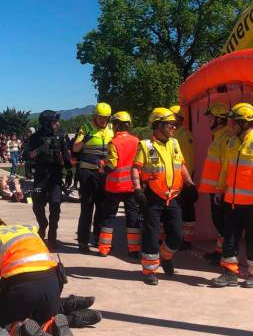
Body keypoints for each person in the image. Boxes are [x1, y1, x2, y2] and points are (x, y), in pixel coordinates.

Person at [0, 217, 75, 336]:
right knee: (40, 316)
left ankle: (20, 331)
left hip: (22, 289)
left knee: (0, 323)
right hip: (53, 284)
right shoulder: (28, 230)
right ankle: (51, 326)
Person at [211, 103, 253, 288]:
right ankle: (229, 273)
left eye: (233, 121)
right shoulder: (231, 142)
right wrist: (219, 189)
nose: (229, 124)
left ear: (244, 123)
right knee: (229, 237)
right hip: (232, 202)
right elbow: (226, 169)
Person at [132, 108, 194, 286]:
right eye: (170, 124)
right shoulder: (145, 145)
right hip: (153, 197)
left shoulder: (174, 143)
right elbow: (135, 168)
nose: (174, 127)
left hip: (173, 196)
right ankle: (150, 270)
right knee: (151, 235)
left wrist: (189, 183)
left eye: (174, 124)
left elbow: (180, 165)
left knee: (177, 235)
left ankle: (165, 257)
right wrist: (137, 189)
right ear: (159, 125)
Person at [98, 111, 141, 258]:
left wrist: (102, 166)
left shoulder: (113, 142)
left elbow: (113, 165)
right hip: (132, 186)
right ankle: (134, 249)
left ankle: (104, 248)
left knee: (109, 216)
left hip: (114, 187)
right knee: (132, 217)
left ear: (116, 125)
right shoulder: (137, 141)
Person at [72, 102, 114, 253]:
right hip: (87, 173)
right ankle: (83, 241)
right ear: (95, 116)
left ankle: (97, 237)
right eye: (100, 117)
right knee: (87, 207)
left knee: (102, 207)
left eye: (106, 118)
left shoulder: (111, 128)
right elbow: (75, 148)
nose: (103, 120)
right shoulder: (86, 127)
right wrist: (83, 140)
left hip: (104, 173)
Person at [25, 110, 70, 250]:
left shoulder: (60, 137)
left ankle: (52, 236)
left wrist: (69, 172)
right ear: (46, 124)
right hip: (40, 176)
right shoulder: (34, 138)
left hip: (56, 177)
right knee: (37, 205)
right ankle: (43, 224)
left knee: (55, 205)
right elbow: (26, 155)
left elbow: (66, 156)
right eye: (54, 121)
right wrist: (40, 149)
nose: (58, 123)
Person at [198, 103, 234, 265]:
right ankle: (220, 252)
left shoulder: (226, 139)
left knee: (224, 223)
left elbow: (228, 166)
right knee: (219, 222)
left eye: (211, 118)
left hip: (222, 190)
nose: (209, 121)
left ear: (220, 120)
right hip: (216, 189)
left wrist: (221, 189)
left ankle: (225, 255)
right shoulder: (218, 137)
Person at [170, 105, 198, 250]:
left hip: (182, 179)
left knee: (186, 210)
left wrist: (187, 181)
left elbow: (187, 160)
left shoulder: (184, 136)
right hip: (175, 179)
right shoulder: (174, 135)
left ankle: (186, 240)